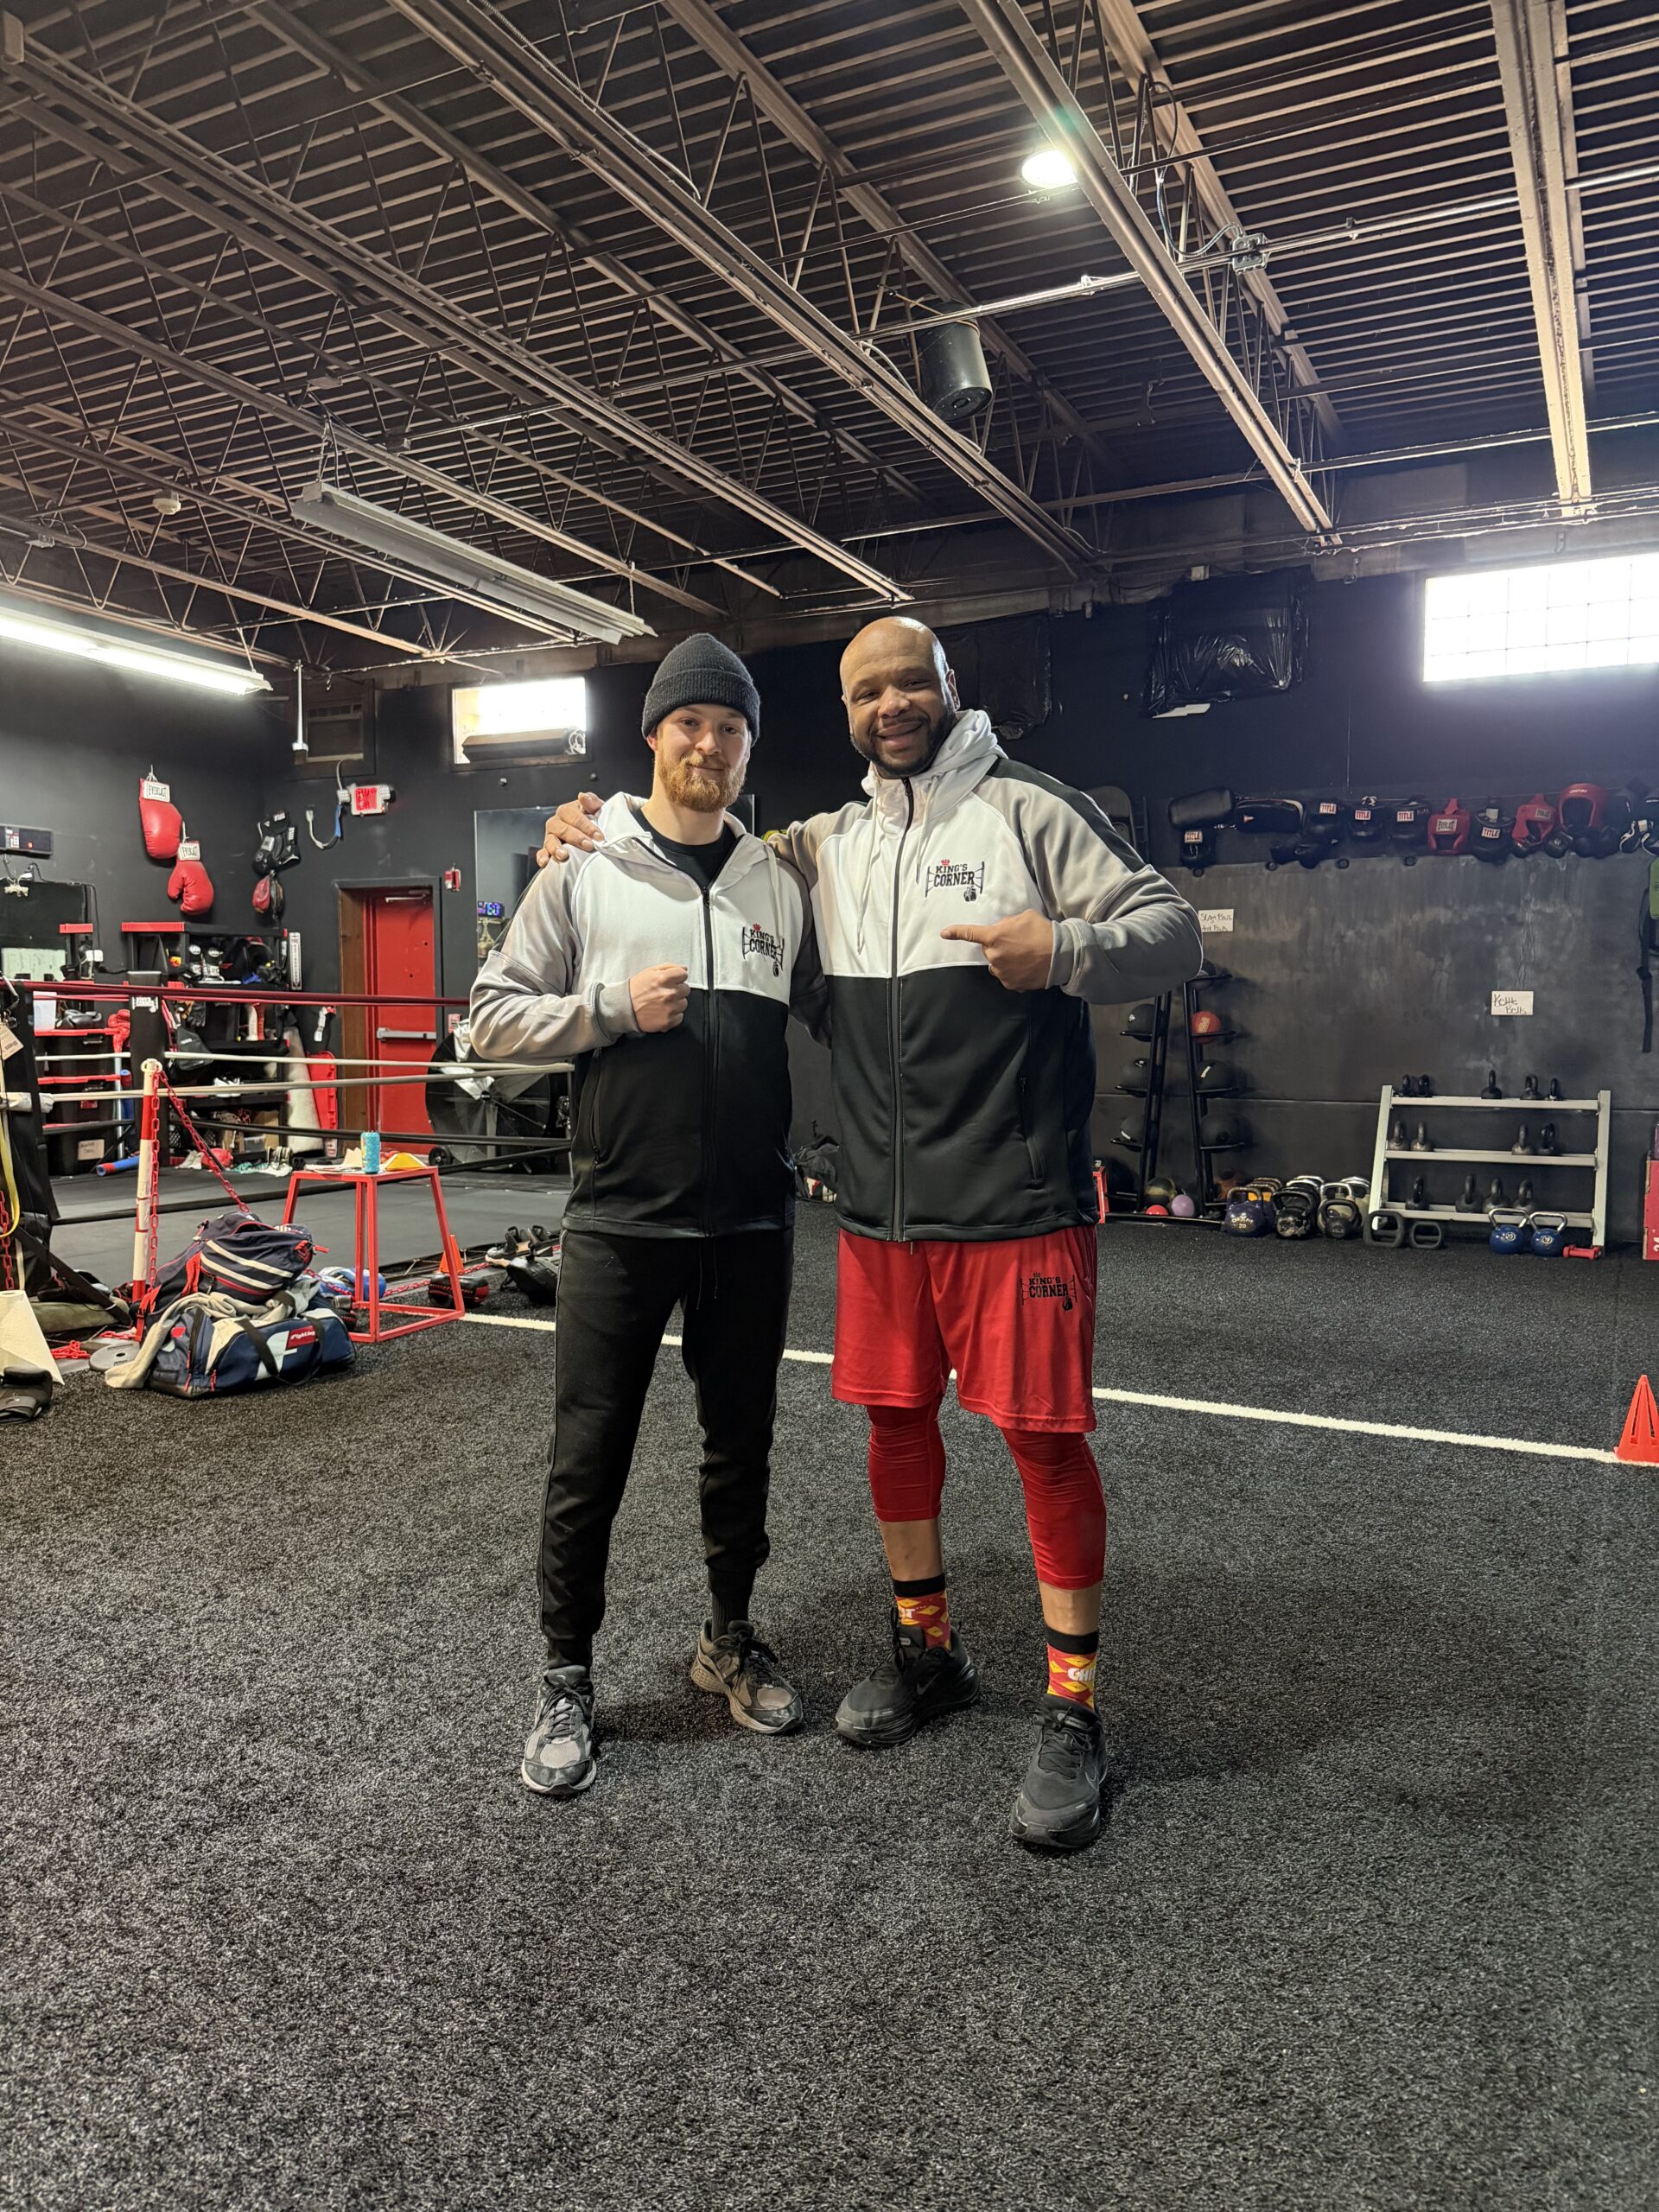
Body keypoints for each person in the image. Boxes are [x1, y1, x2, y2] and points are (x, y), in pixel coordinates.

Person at [540, 617, 1200, 1850]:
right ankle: (926, 1649)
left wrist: (1065, 948)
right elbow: (700, 839)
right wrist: (585, 825)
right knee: (896, 1430)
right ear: (843, 713)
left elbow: (1174, 930)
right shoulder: (819, 850)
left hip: (1014, 1207)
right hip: (883, 1217)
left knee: (1045, 1445)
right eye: (865, 691)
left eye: (911, 682)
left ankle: (1073, 1710)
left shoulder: (1030, 811)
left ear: (949, 686)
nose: (891, 704)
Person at [472, 633, 827, 1801]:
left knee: (742, 1450)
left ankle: (729, 1636)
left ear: (748, 749)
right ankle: (566, 1674)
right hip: (621, 1222)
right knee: (589, 1459)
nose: (708, 745)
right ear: (653, 736)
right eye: (690, 725)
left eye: (730, 729)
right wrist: (611, 1010)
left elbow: (842, 1006)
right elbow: (488, 1022)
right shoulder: (583, 867)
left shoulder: (778, 880)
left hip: (750, 1223)